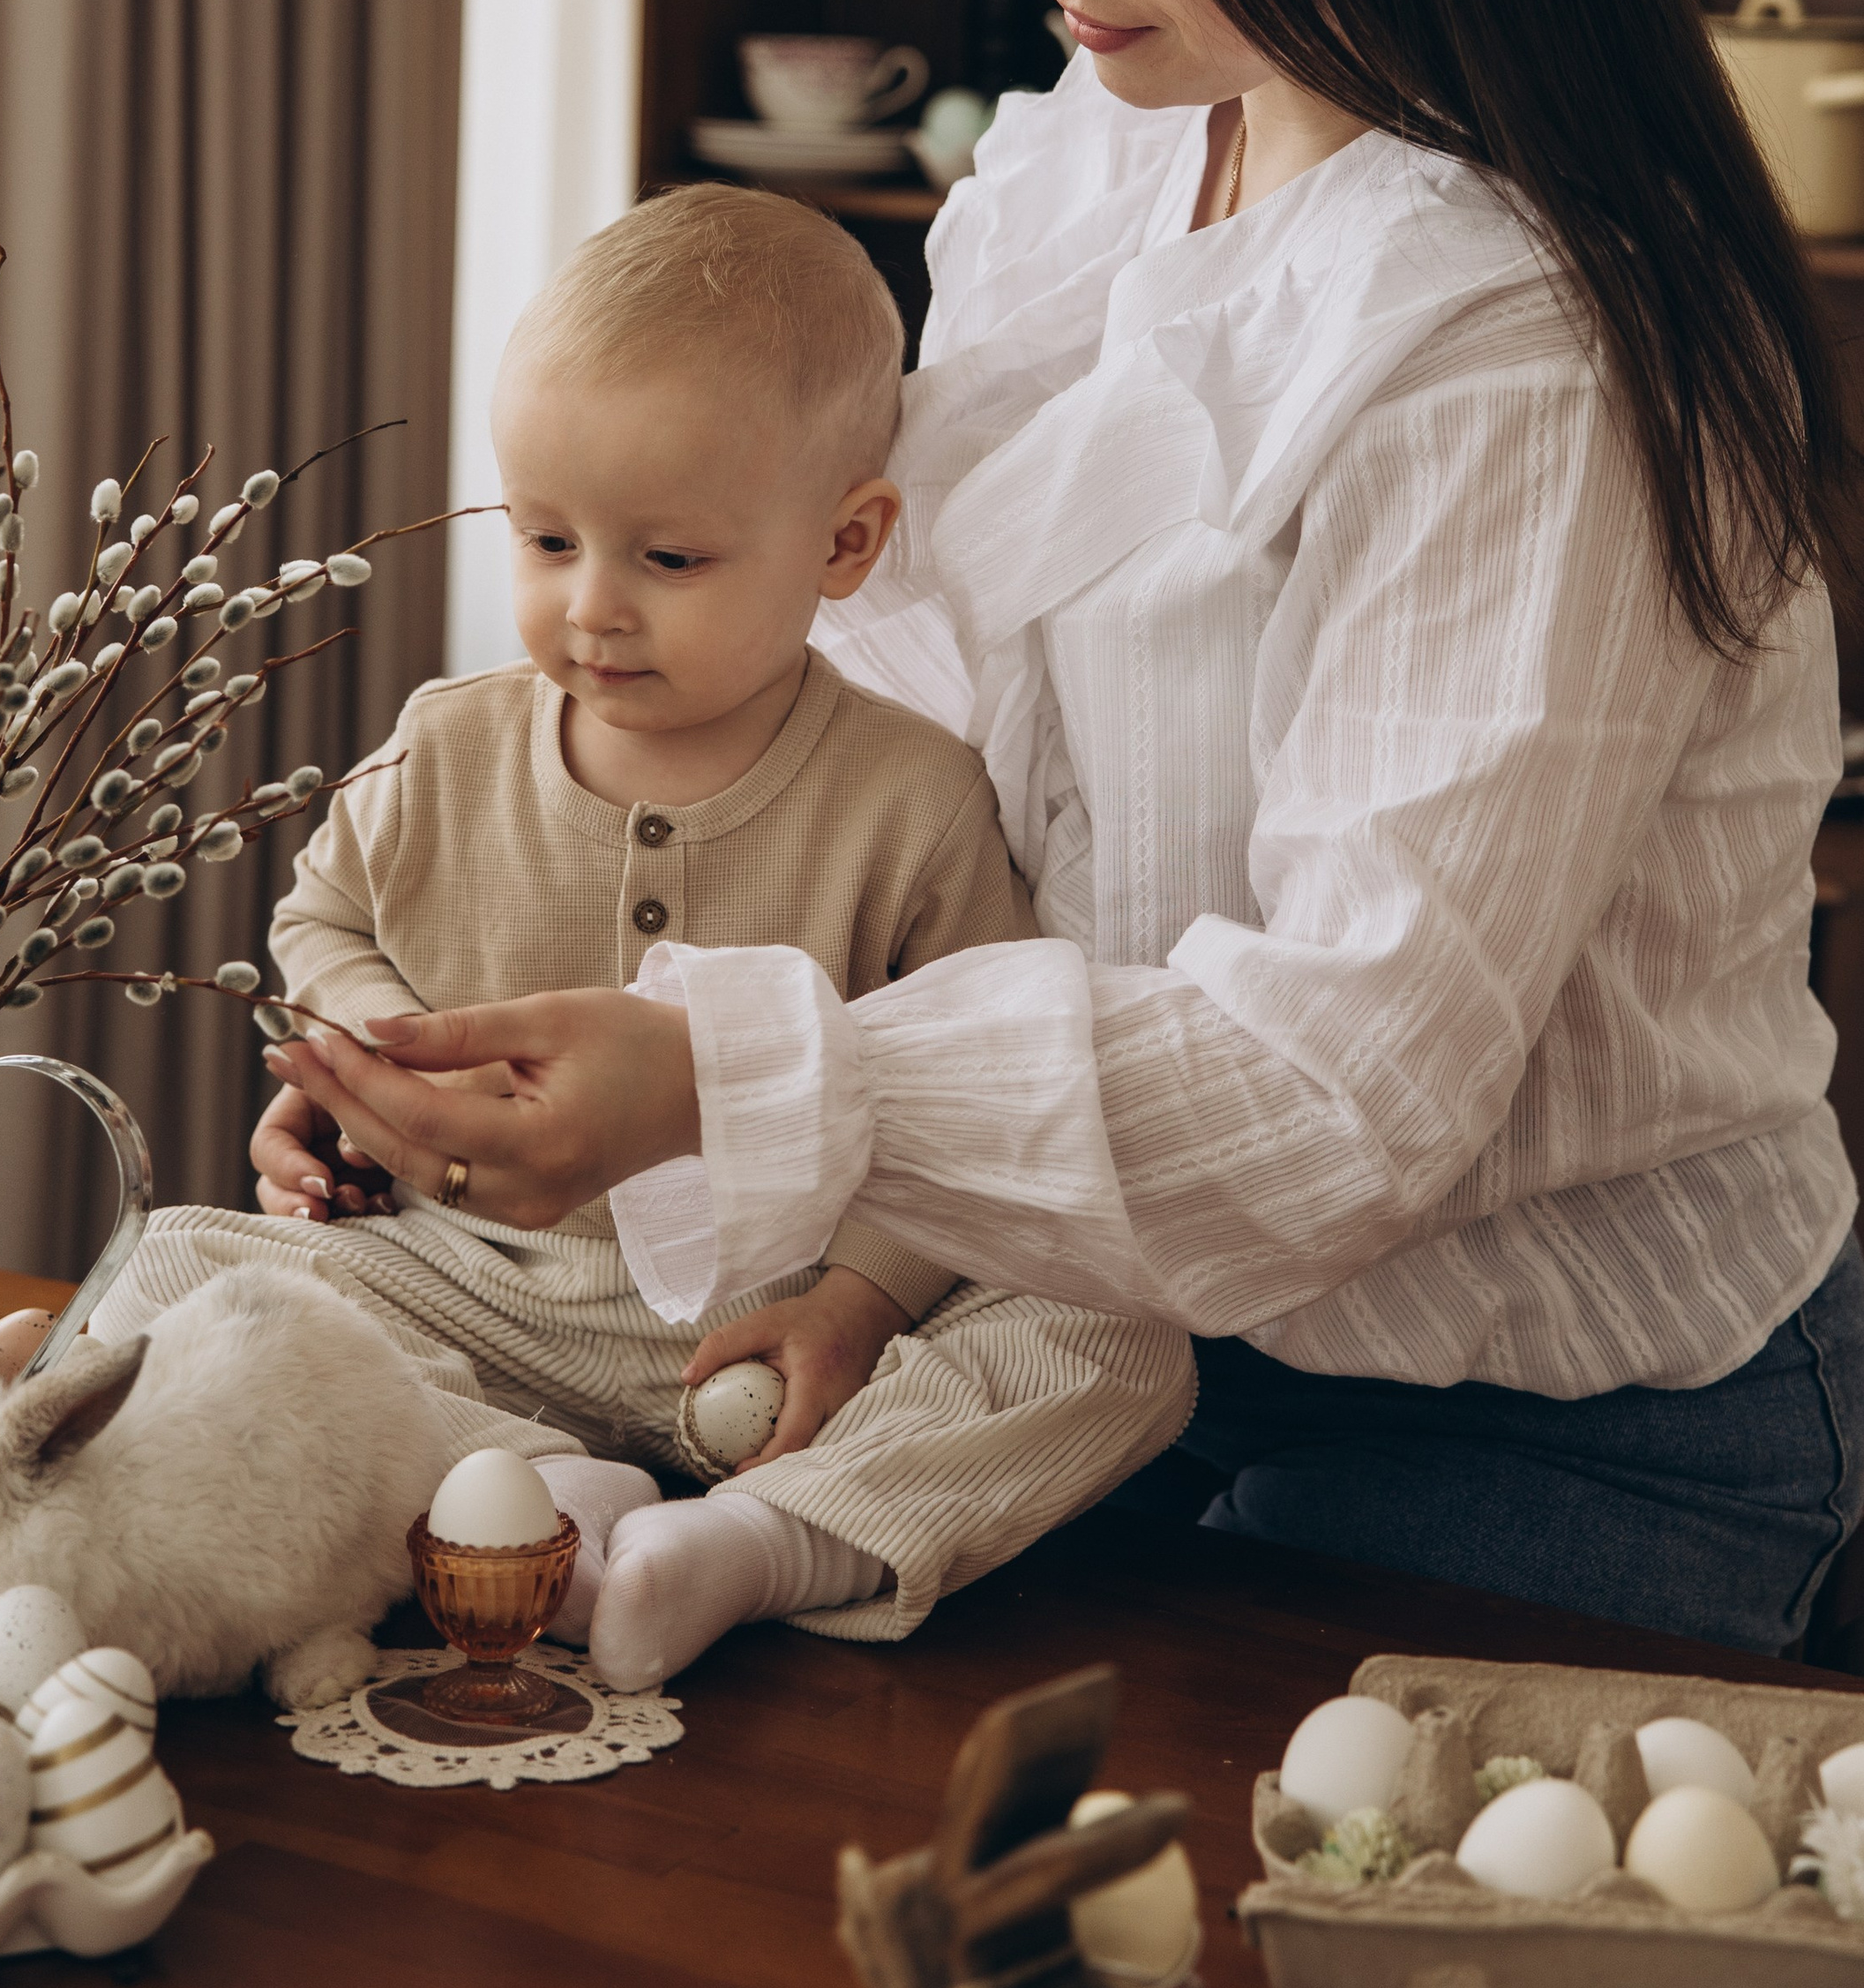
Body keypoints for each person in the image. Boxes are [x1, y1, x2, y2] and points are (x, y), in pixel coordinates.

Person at [268, 0, 1864, 1655]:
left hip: (1556, 1420)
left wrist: (727, 1080)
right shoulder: (1097, 161)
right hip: (1098, 1338)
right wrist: (708, 1190)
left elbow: (1333, 1093)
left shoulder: (1523, 348)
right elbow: (923, 785)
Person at [100, 184, 1193, 1690]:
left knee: (1115, 1340)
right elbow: (323, 915)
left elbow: (980, 1118)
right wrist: (378, 1057)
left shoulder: (914, 800)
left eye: (667, 561)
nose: (591, 610)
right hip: (476, 1279)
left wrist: (858, 1303)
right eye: (546, 540)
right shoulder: (448, 746)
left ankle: (759, 1546)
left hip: (785, 1311)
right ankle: (533, 1484)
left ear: (846, 543)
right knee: (172, 1268)